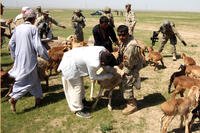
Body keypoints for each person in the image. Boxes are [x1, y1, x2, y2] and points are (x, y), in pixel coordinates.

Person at [57, 46, 118, 118]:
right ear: (102, 62)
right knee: (77, 88)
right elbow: (93, 77)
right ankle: (77, 109)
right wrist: (107, 76)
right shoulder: (94, 63)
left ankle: (82, 101)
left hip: (75, 58)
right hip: (70, 64)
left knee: (80, 84)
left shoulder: (104, 49)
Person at [8, 9, 50, 113]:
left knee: (35, 79)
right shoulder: (33, 28)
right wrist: (47, 56)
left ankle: (38, 99)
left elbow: (11, 44)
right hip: (29, 59)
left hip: (19, 59)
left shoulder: (18, 28)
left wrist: (14, 56)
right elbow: (38, 45)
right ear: (34, 18)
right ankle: (14, 98)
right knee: (25, 79)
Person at [117, 25, 144, 115]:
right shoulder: (126, 41)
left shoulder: (130, 47)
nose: (121, 37)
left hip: (133, 67)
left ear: (127, 34)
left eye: (123, 35)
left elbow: (129, 65)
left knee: (126, 83)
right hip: (131, 64)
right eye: (119, 35)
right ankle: (129, 101)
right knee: (123, 82)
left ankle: (132, 105)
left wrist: (123, 72)